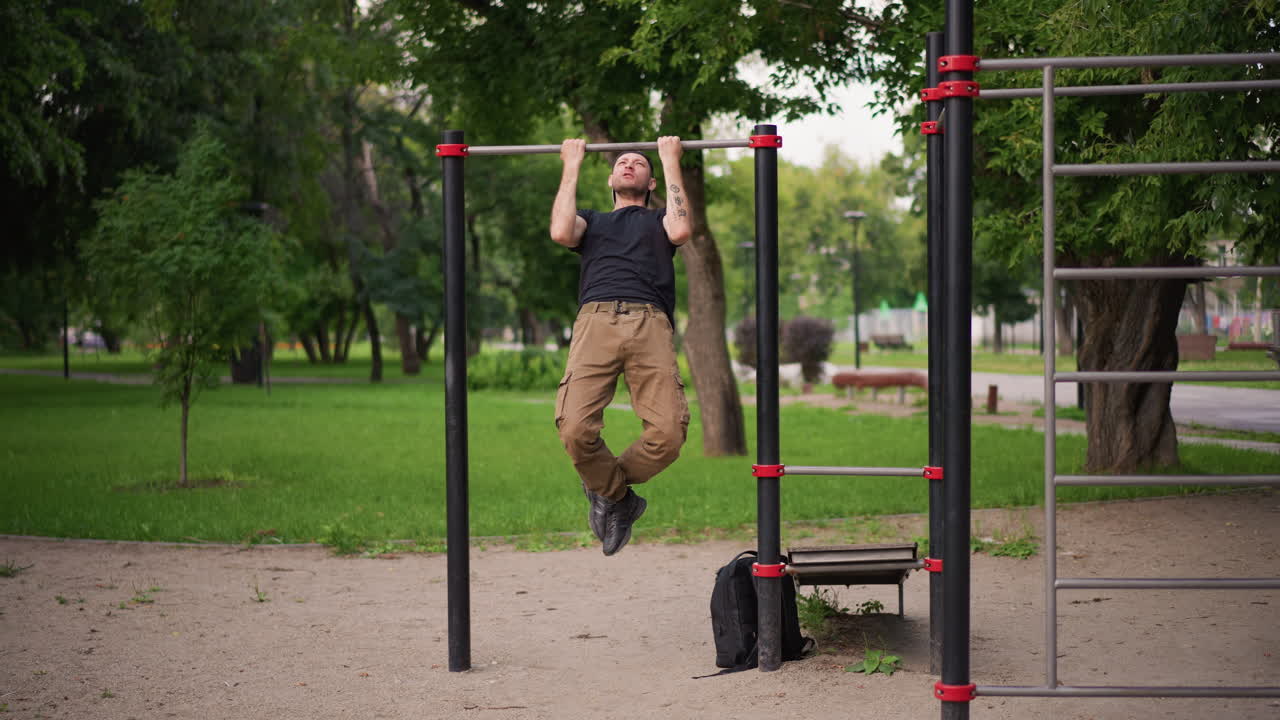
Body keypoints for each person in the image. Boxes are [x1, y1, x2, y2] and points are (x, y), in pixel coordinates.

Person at [549, 136, 693, 556]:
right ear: (611, 180)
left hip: (650, 322)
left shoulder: (661, 220)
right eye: (622, 163)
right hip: (595, 322)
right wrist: (571, 163)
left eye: (639, 163)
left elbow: (682, 229)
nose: (629, 164)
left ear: (652, 183)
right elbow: (560, 231)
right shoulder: (591, 222)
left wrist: (669, 158)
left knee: (668, 434)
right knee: (574, 429)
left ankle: (605, 488)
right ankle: (618, 498)